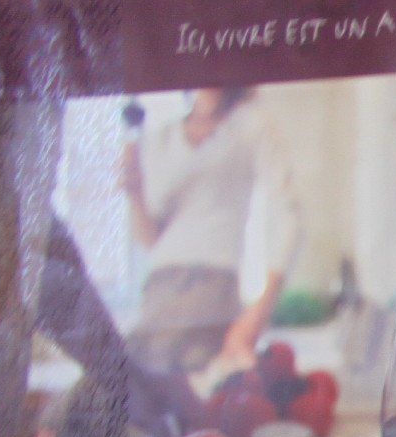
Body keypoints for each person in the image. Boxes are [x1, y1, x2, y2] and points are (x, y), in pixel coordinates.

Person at [118, 88, 301, 377]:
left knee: (142, 377)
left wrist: (256, 316)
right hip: (158, 289)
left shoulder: (250, 124)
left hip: (212, 283)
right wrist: (135, 194)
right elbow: (151, 241)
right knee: (122, 378)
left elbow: (288, 214)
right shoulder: (164, 137)